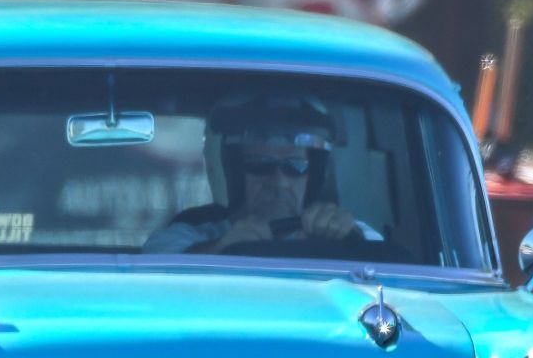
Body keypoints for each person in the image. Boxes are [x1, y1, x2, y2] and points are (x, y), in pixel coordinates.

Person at [143, 95, 384, 253]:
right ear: (232, 172)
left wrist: (350, 239)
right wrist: (223, 249)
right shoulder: (192, 234)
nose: (279, 182)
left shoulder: (348, 233)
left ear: (314, 175)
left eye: (295, 166)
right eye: (260, 165)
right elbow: (156, 260)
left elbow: (388, 262)